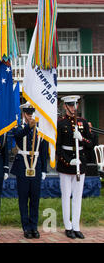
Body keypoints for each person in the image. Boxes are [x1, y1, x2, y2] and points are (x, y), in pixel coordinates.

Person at [56, 95, 93, 239]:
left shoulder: (82, 122)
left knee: (78, 196)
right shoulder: (61, 123)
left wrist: (81, 138)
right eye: (70, 105)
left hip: (80, 162)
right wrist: (67, 161)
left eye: (74, 105)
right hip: (66, 164)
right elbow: (57, 147)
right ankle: (68, 226)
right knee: (66, 196)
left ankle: (76, 226)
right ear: (65, 106)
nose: (73, 108)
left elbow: (90, 144)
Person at [11, 102, 48, 239]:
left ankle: (34, 226)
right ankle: (26, 227)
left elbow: (44, 152)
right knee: (23, 198)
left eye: (31, 113)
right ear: (23, 114)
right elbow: (19, 136)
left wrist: (44, 169)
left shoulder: (41, 131)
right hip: (22, 165)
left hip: (36, 166)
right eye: (27, 113)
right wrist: (28, 127)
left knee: (35, 199)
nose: (30, 116)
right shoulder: (18, 127)